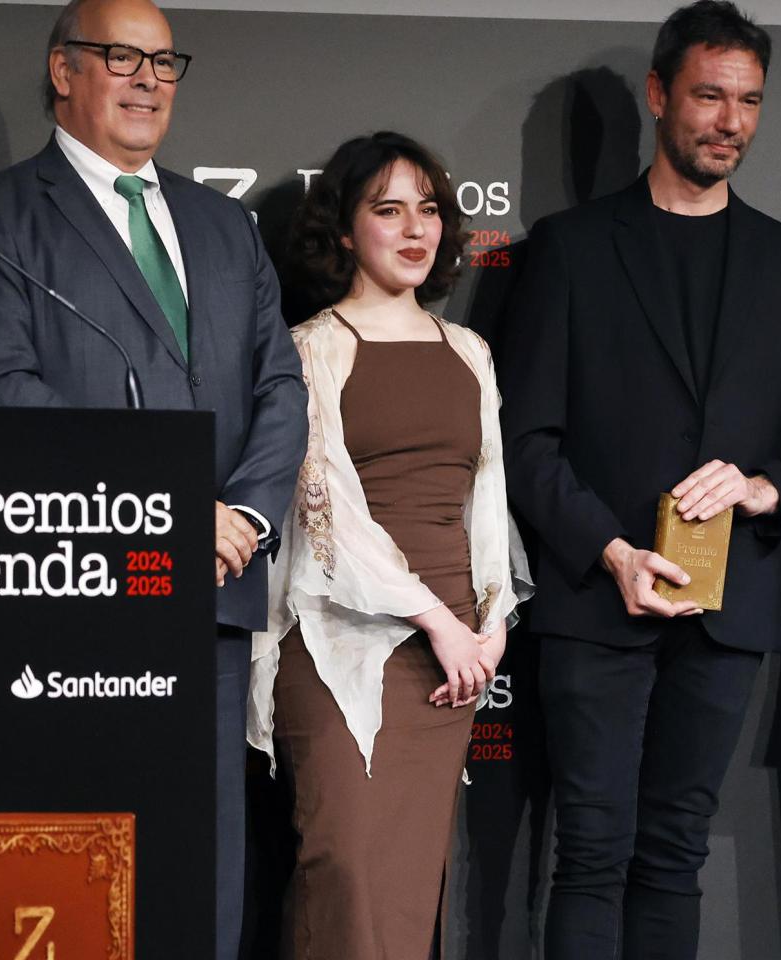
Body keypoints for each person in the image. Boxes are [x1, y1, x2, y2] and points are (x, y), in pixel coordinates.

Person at [0, 2, 308, 956]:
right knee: (81, 867)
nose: (147, 80)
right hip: (74, 601)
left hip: (213, 594)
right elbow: (0, 391)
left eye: (164, 62)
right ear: (64, 71)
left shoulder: (225, 226)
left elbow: (280, 386)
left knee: (200, 868)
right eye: (121, 57)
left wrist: (244, 519)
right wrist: (171, 511)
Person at [498, 3, 781, 956]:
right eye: (709, 95)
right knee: (592, 853)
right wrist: (611, 551)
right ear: (659, 95)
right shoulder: (572, 248)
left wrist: (764, 490)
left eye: (749, 101)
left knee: (674, 855)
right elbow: (525, 440)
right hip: (596, 598)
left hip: (729, 607)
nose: (729, 121)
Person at [247, 131, 529, 960]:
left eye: (428, 210)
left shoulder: (469, 351)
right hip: (340, 642)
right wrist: (438, 622)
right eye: (389, 210)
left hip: (452, 662)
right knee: (343, 868)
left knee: (409, 881)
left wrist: (490, 627)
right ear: (343, 229)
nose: (415, 229)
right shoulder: (311, 348)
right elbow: (325, 511)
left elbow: (489, 503)